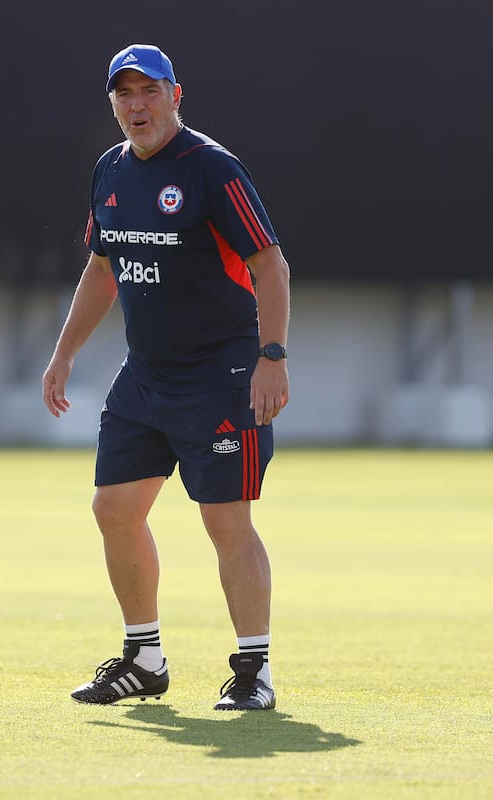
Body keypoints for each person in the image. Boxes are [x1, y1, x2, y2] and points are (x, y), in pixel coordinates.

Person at [42, 44, 291, 711]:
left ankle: (255, 673)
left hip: (222, 375)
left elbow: (270, 264)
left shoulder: (212, 168)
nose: (136, 105)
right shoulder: (110, 171)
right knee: (113, 509)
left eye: (148, 91)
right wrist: (64, 352)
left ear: (175, 94)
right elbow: (102, 268)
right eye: (124, 94)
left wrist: (272, 356)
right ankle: (144, 659)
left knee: (224, 519)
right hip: (145, 378)